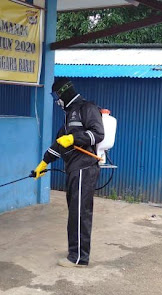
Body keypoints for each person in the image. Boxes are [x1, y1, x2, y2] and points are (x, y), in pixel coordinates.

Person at [32, 77, 104, 268]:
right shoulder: (69, 114)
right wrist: (43, 163)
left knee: (80, 213)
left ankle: (79, 258)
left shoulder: (86, 108)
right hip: (73, 168)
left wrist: (73, 138)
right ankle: (76, 251)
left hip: (85, 167)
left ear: (63, 93)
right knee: (74, 212)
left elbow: (98, 134)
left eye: (57, 96)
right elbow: (59, 144)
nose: (57, 101)